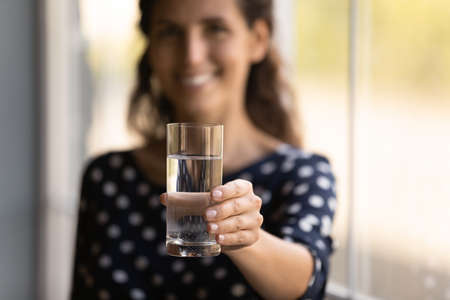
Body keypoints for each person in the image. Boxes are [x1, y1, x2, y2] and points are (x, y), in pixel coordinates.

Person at [70, 0, 337, 299]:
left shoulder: (302, 174)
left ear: (258, 40)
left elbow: (307, 281)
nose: (192, 57)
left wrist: (248, 240)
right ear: (151, 47)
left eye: (215, 29)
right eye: (170, 32)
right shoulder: (106, 177)